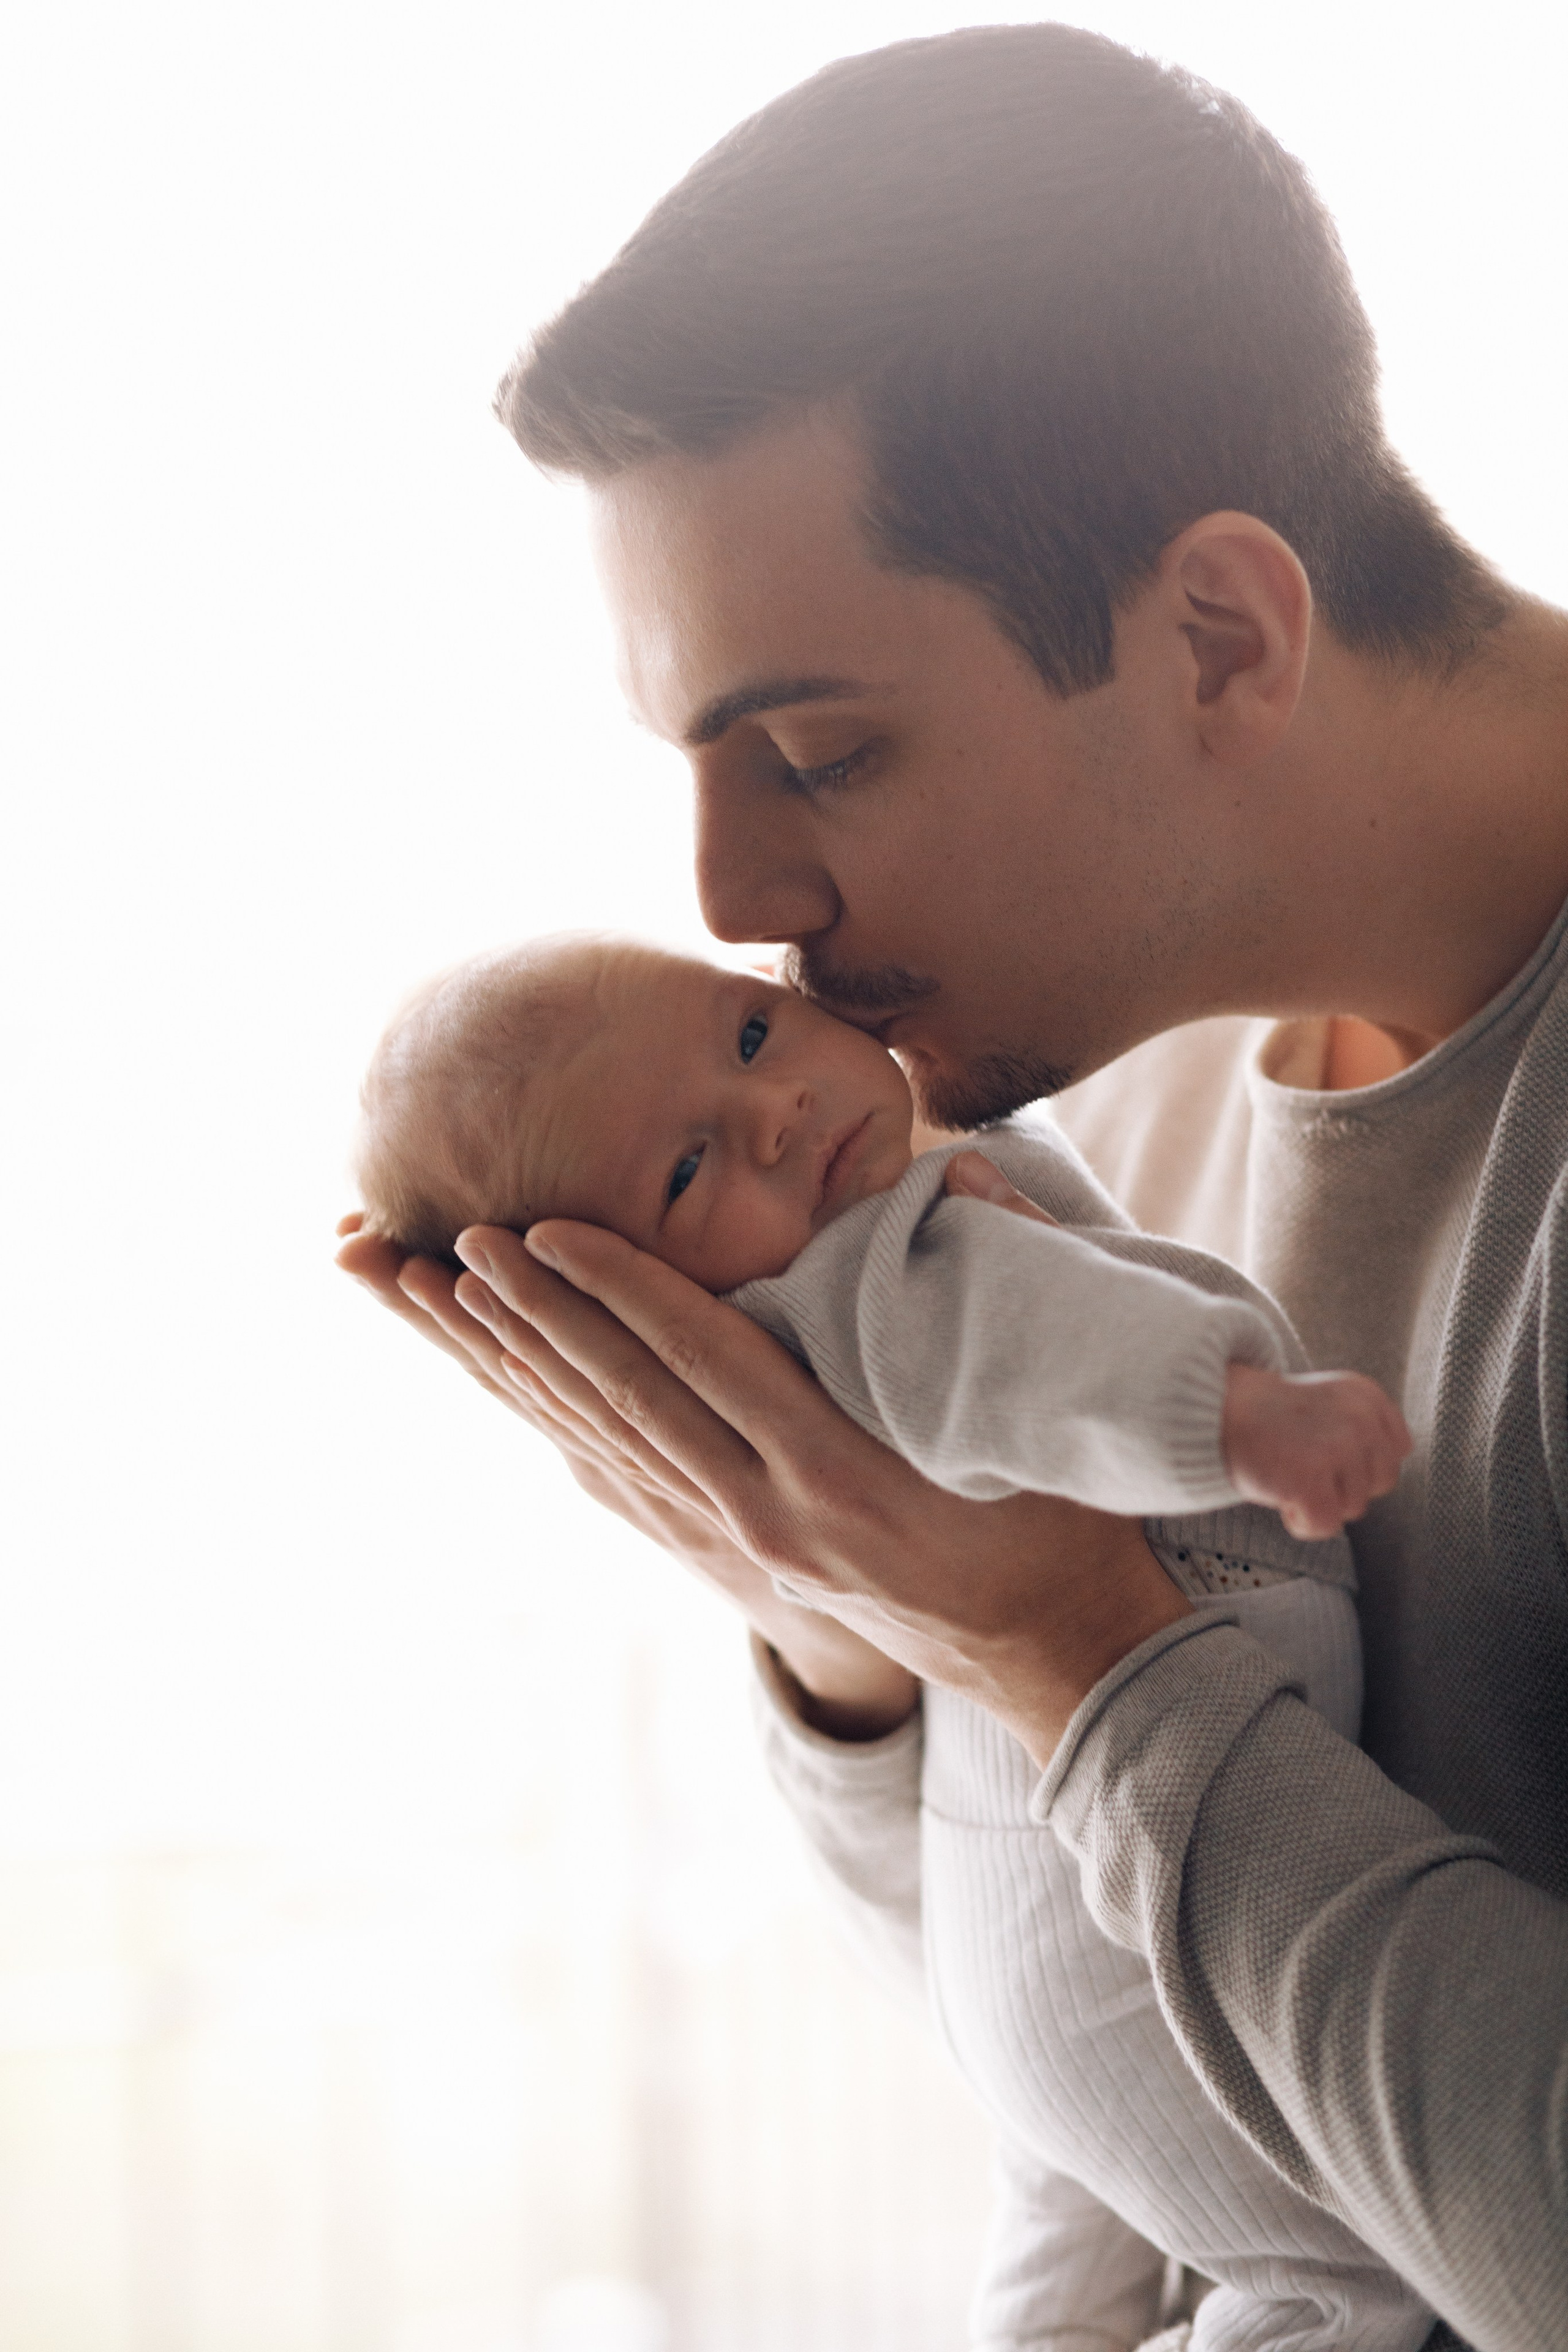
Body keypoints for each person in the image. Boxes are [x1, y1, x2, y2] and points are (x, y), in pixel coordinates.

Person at [337, 25, 1568, 2352]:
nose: (729, 894)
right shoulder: (1098, 1094)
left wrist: (1071, 1647)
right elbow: (1113, 2053)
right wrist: (835, 1614)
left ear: (1221, 631)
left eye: (816, 751)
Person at [352, 928, 1421, 2349]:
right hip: (1107, 1913)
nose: (776, 1109)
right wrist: (1239, 1418)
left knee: (1068, 2229)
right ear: (639, 1302)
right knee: (1341, 2279)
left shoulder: (895, 1198)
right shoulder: (881, 1270)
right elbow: (1028, 1341)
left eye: (746, 1034)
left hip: (1029, 1920)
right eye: (686, 1171)